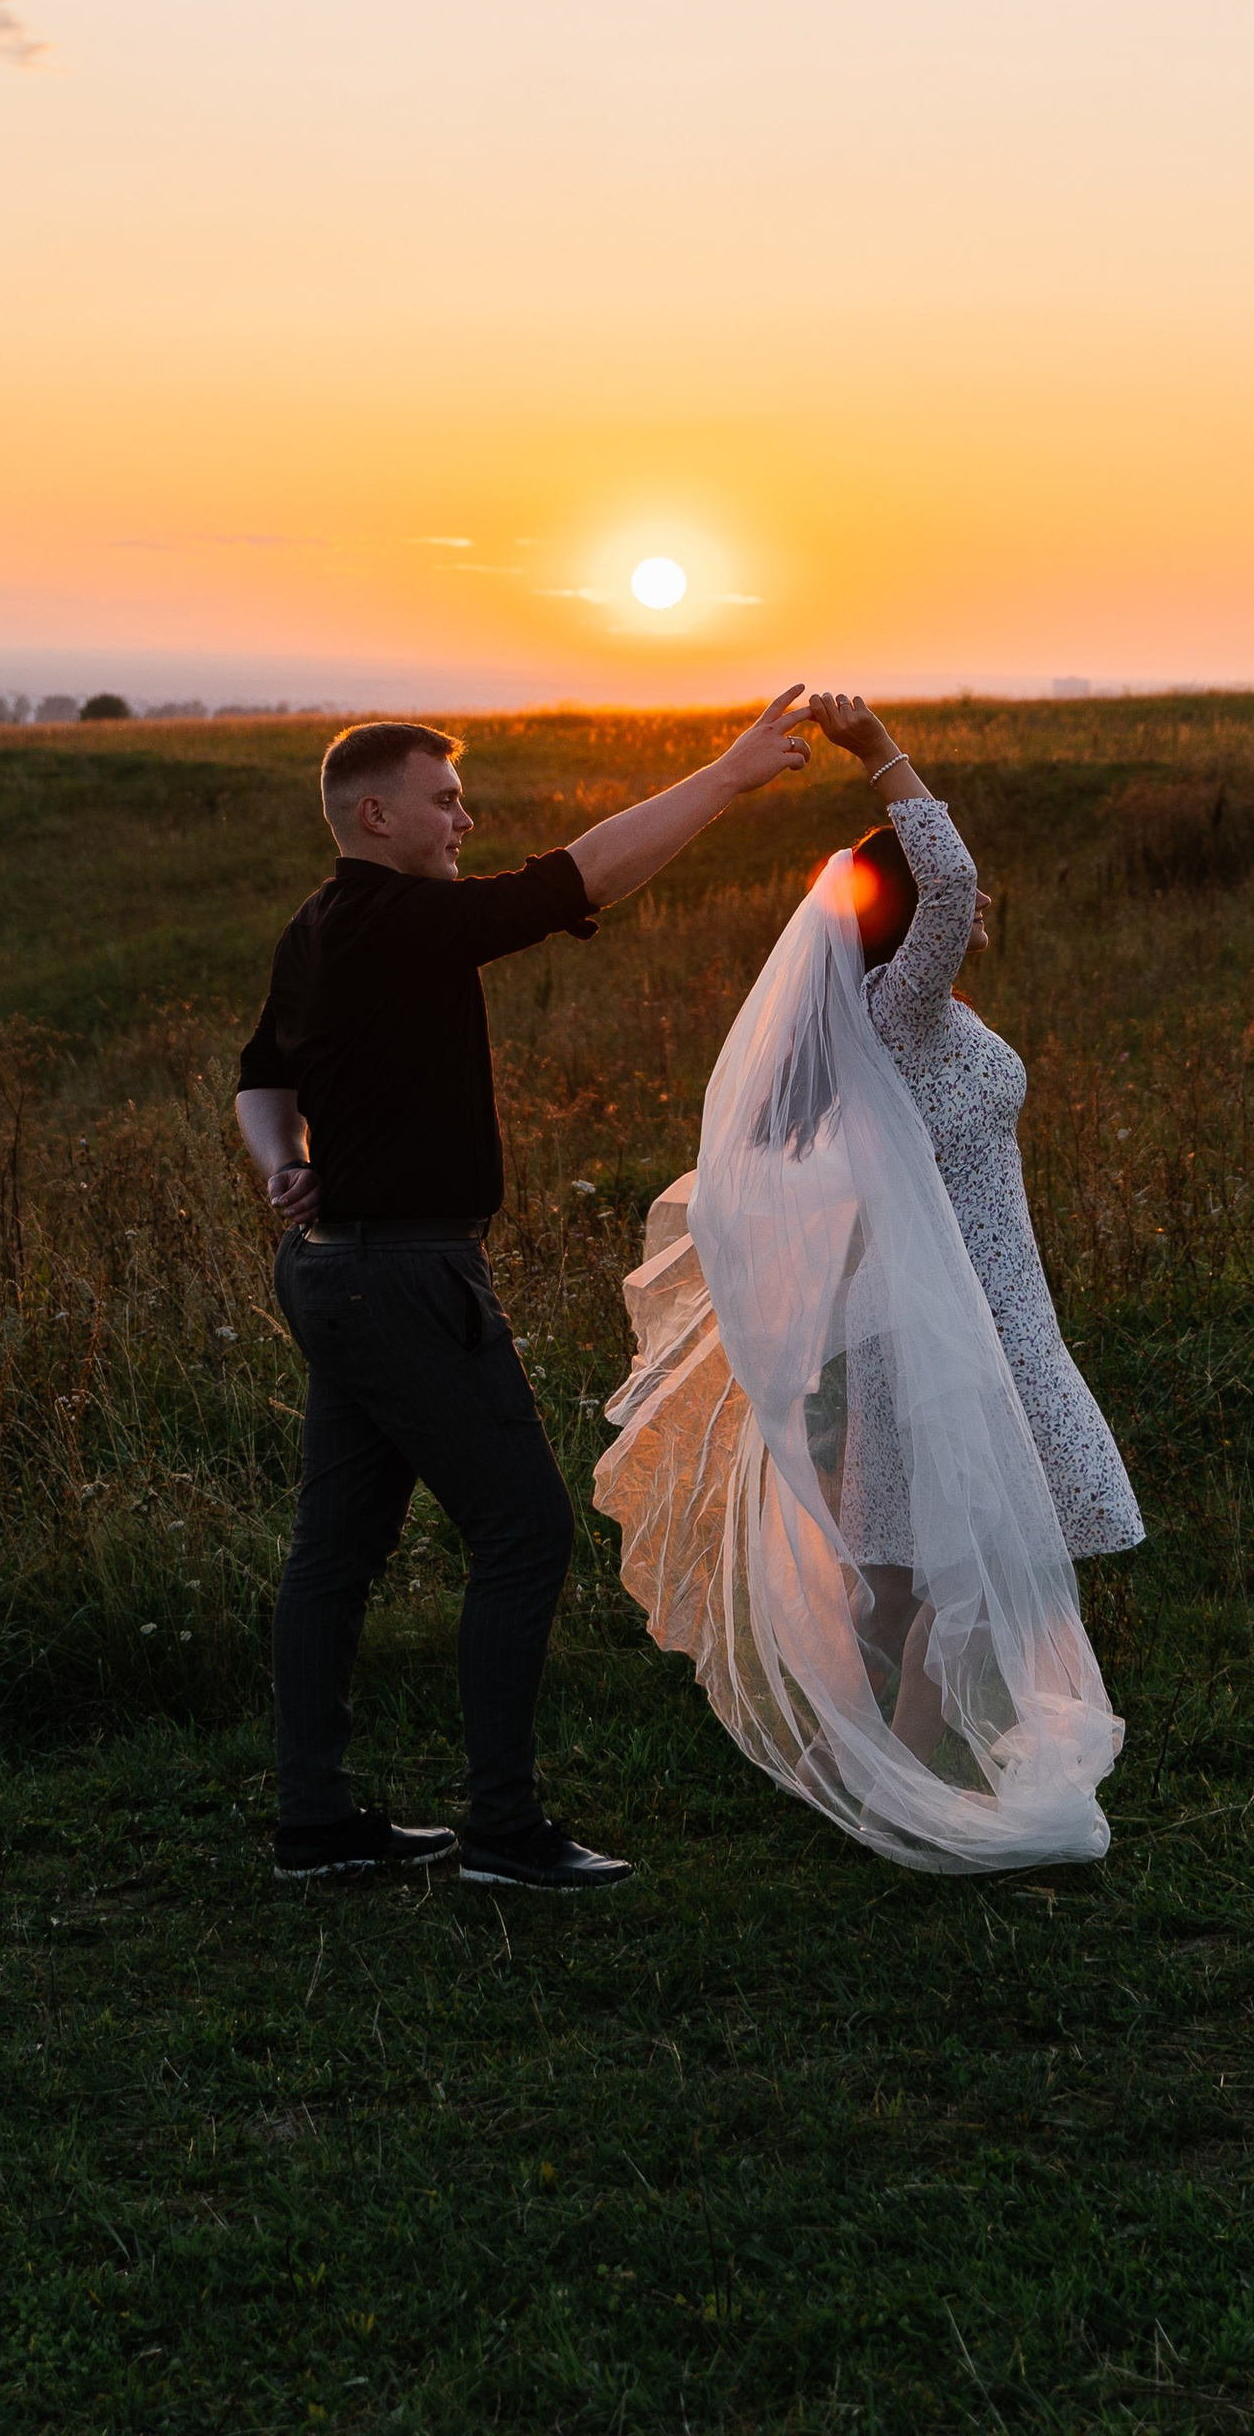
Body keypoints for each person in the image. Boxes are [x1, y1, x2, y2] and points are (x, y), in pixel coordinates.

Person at [236, 692, 811, 1892]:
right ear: (376, 813)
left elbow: (259, 1077)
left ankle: (314, 1823)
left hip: (337, 1268)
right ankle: (502, 1830)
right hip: (400, 1275)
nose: (464, 821)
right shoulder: (396, 919)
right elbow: (579, 879)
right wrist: (727, 776)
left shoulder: (323, 922)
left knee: (334, 1550)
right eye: (444, 802)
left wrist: (284, 1164)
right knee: (523, 1530)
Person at [593, 691, 1138, 1872]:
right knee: (982, 1535)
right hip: (963, 1316)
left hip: (942, 1311)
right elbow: (949, 879)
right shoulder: (904, 1011)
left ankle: (874, 1761)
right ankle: (907, 1787)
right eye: (954, 901)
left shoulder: (898, 1021)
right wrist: (878, 752)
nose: (979, 905)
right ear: (909, 919)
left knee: (902, 1561)